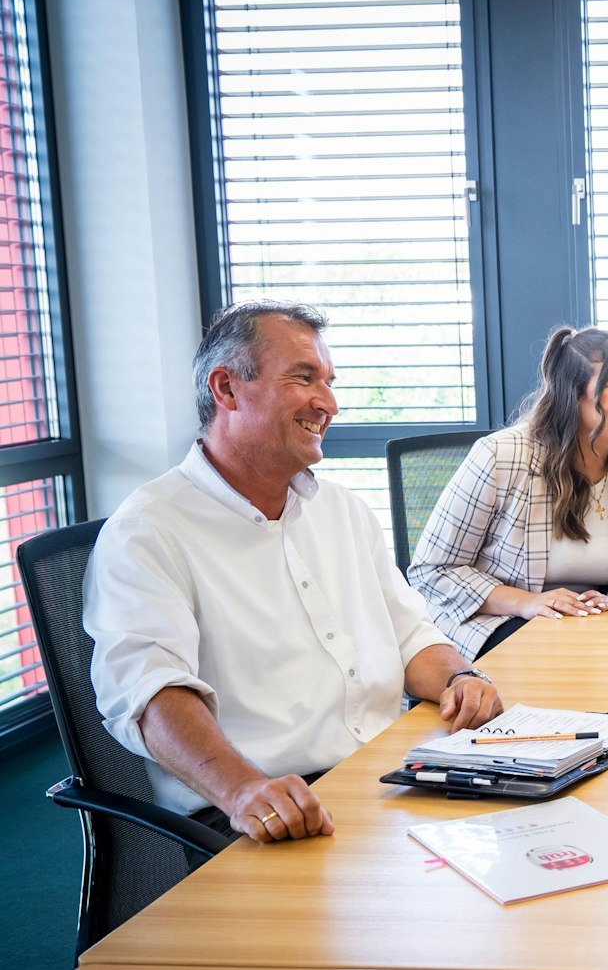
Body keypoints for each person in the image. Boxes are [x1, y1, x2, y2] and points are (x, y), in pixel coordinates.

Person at [85, 301, 506, 844]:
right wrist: (242, 791)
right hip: (262, 808)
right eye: (303, 379)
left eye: (329, 383)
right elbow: (150, 693)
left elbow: (411, 637)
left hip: (386, 773)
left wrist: (459, 678)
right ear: (227, 389)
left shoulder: (343, 510)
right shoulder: (148, 530)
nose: (328, 404)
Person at [410, 326, 608, 658]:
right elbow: (432, 570)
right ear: (573, 394)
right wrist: (530, 603)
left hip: (602, 618)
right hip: (507, 617)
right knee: (566, 659)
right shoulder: (502, 455)